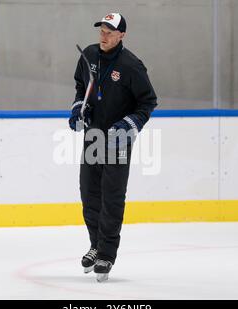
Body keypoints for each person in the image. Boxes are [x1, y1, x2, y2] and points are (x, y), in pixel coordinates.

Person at [69, 13, 157, 282]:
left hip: (118, 141)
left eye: (110, 31)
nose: (104, 35)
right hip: (93, 137)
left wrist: (128, 123)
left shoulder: (131, 66)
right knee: (90, 195)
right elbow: (81, 86)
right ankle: (96, 245)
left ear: (122, 35)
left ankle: (107, 254)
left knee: (112, 197)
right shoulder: (89, 55)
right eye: (102, 30)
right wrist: (77, 110)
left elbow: (148, 102)